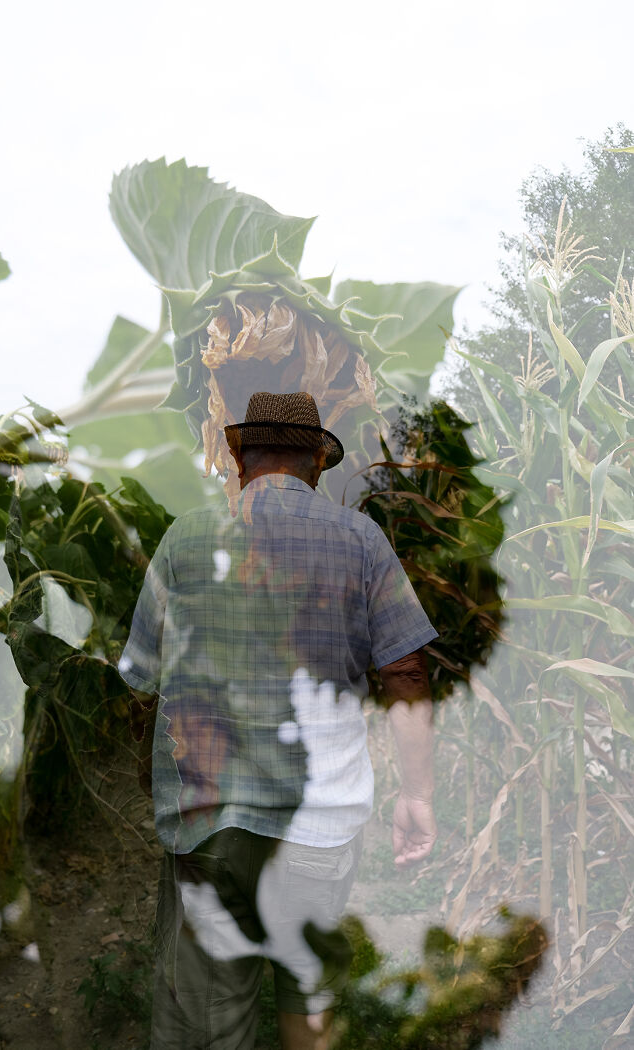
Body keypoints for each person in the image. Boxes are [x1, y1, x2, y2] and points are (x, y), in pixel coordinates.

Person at [119, 390, 438, 1050]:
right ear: (317, 463)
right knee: (311, 1001)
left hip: (210, 823)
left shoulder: (186, 537)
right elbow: (406, 672)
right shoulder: (360, 540)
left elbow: (142, 677)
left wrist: (155, 773)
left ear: (240, 457)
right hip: (317, 827)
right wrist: (417, 795)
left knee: (211, 1020)